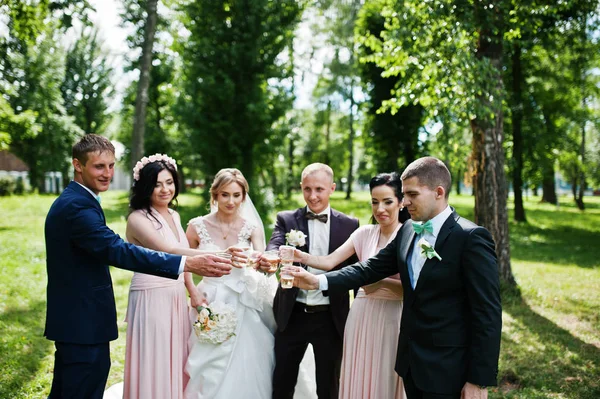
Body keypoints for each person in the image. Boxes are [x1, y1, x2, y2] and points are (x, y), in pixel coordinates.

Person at [286, 157, 502, 399]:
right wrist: (318, 282)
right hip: (411, 365)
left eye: (412, 194)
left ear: (438, 192)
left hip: (450, 369)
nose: (405, 201)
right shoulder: (409, 230)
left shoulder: (471, 238)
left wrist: (478, 381)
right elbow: (367, 269)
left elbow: (487, 314)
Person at [44, 134, 233, 399]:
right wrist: (187, 262)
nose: (107, 173)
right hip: (81, 320)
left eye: (111, 166)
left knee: (74, 387)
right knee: (80, 387)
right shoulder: (77, 207)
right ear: (78, 165)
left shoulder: (80, 200)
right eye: (99, 166)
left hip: (81, 319)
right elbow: (118, 250)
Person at [122, 154, 246, 398]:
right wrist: (220, 253)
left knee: (176, 355)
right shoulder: (137, 218)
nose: (165, 189)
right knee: (155, 356)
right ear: (145, 186)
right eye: (157, 184)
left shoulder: (175, 215)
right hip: (152, 295)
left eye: (169, 182)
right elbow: (168, 250)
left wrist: (192, 290)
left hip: (176, 295)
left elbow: (179, 256)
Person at [293, 172, 410, 399]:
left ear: (401, 202)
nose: (380, 209)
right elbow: (329, 261)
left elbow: (415, 286)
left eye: (387, 202)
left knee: (386, 377)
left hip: (393, 318)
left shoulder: (410, 235)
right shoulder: (364, 233)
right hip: (361, 316)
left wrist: (379, 284)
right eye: (375, 202)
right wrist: (300, 255)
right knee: (359, 374)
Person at [265, 163, 359, 399]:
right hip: (292, 314)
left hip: (330, 317)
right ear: (301, 188)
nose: (313, 195)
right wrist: (271, 257)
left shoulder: (349, 225)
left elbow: (356, 272)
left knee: (328, 387)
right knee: (282, 382)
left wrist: (358, 312)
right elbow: (275, 244)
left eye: (319, 189)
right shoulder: (286, 219)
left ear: (332, 188)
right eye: (307, 189)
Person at [183, 168, 278, 399]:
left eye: (236, 195)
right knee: (207, 361)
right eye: (225, 194)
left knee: (251, 359)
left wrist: (260, 263)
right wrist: (193, 292)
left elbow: (261, 262)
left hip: (243, 301)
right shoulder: (197, 226)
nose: (231, 201)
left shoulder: (251, 228)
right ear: (215, 195)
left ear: (244, 196)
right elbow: (183, 262)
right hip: (208, 300)